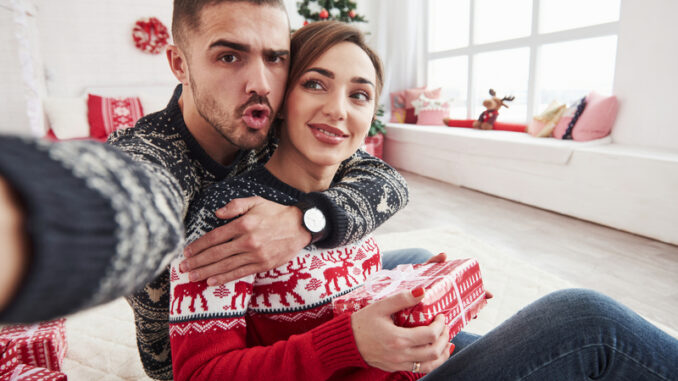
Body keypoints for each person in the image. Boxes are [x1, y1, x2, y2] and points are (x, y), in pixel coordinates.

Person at [167, 21, 678, 381]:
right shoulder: (228, 216)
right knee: (587, 324)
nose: (337, 110)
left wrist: (413, 306)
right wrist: (349, 342)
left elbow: (341, 282)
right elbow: (199, 373)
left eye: (359, 94)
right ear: (281, 101)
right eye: (315, 84)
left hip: (399, 368)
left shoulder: (342, 192)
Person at [0, 0, 431, 379]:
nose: (260, 82)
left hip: (271, 292)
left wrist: (306, 221)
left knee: (418, 266)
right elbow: (127, 197)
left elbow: (385, 180)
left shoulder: (270, 120)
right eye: (230, 57)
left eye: (276, 58)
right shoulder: (154, 153)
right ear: (179, 63)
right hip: (195, 344)